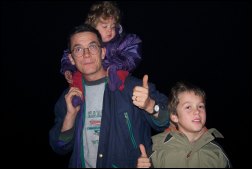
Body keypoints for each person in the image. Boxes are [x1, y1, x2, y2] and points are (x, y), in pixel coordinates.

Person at [49, 24, 169, 168]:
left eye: (92, 46)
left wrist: (150, 105)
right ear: (71, 58)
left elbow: (169, 119)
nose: (86, 54)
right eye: (78, 49)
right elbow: (59, 147)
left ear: (103, 52)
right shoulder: (69, 97)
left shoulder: (130, 86)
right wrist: (70, 116)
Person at [60, 1, 142, 106]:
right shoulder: (84, 39)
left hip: (115, 70)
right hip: (91, 74)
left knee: (121, 73)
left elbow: (133, 54)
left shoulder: (120, 41)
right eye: (105, 27)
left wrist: (117, 65)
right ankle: (77, 97)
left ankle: (116, 86)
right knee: (76, 76)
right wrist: (67, 69)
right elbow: (69, 54)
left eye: (112, 27)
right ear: (93, 27)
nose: (110, 31)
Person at [137, 82, 232, 168]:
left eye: (200, 106)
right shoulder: (157, 150)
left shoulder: (217, 152)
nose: (197, 111)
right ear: (174, 116)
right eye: (188, 107)